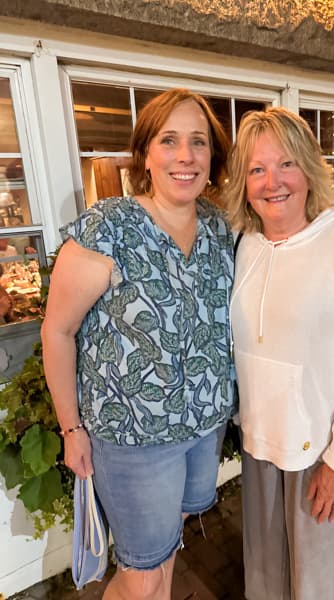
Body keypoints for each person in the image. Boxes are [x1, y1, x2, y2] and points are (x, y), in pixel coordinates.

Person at [41, 88, 235, 600]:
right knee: (141, 574)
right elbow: (57, 331)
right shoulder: (109, 228)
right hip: (134, 439)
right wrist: (71, 427)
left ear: (212, 157)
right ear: (145, 153)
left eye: (198, 142)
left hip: (203, 427)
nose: (185, 156)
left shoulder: (217, 227)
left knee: (166, 546)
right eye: (169, 140)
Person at [226, 107, 334, 600]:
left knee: (325, 587)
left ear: (309, 170)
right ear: (244, 182)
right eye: (257, 169)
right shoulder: (245, 245)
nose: (272, 182)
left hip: (318, 451)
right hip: (259, 448)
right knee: (267, 580)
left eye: (286, 165)